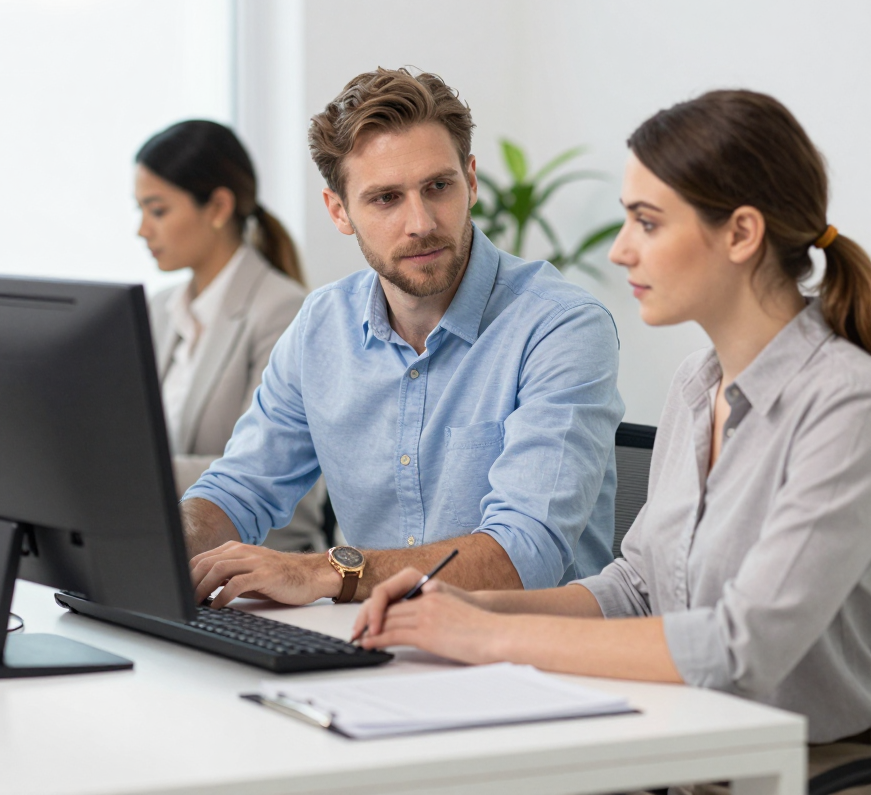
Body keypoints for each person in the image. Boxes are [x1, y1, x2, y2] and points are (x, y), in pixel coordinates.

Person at [357, 89, 871, 753]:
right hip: (676, 740)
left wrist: (485, 637)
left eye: (648, 223)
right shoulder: (697, 383)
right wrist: (464, 607)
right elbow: (638, 587)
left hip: (800, 765)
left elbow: (740, 649)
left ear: (742, 233)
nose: (621, 251)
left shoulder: (846, 405)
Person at [183, 67, 624, 608]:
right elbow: (241, 488)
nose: (421, 222)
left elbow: (524, 552)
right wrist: (160, 543)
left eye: (438, 187)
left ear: (472, 181)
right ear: (339, 211)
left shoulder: (559, 326)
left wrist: (327, 571)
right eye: (386, 198)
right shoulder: (321, 326)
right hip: (376, 647)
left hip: (529, 657)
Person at [134, 120, 325, 553]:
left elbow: (275, 477)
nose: (143, 229)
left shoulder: (282, 310)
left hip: (259, 562)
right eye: (140, 210)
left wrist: (131, 470)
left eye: (158, 210)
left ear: (218, 207)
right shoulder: (161, 309)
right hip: (171, 549)